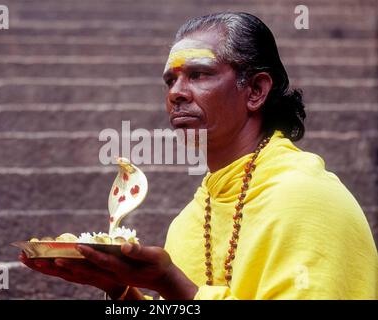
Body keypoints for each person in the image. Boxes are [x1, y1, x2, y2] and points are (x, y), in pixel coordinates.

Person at [20, 12, 378, 300]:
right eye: (170, 81)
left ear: (255, 90)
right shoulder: (188, 222)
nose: (176, 92)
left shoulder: (307, 199)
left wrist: (172, 282)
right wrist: (120, 290)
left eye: (198, 74)